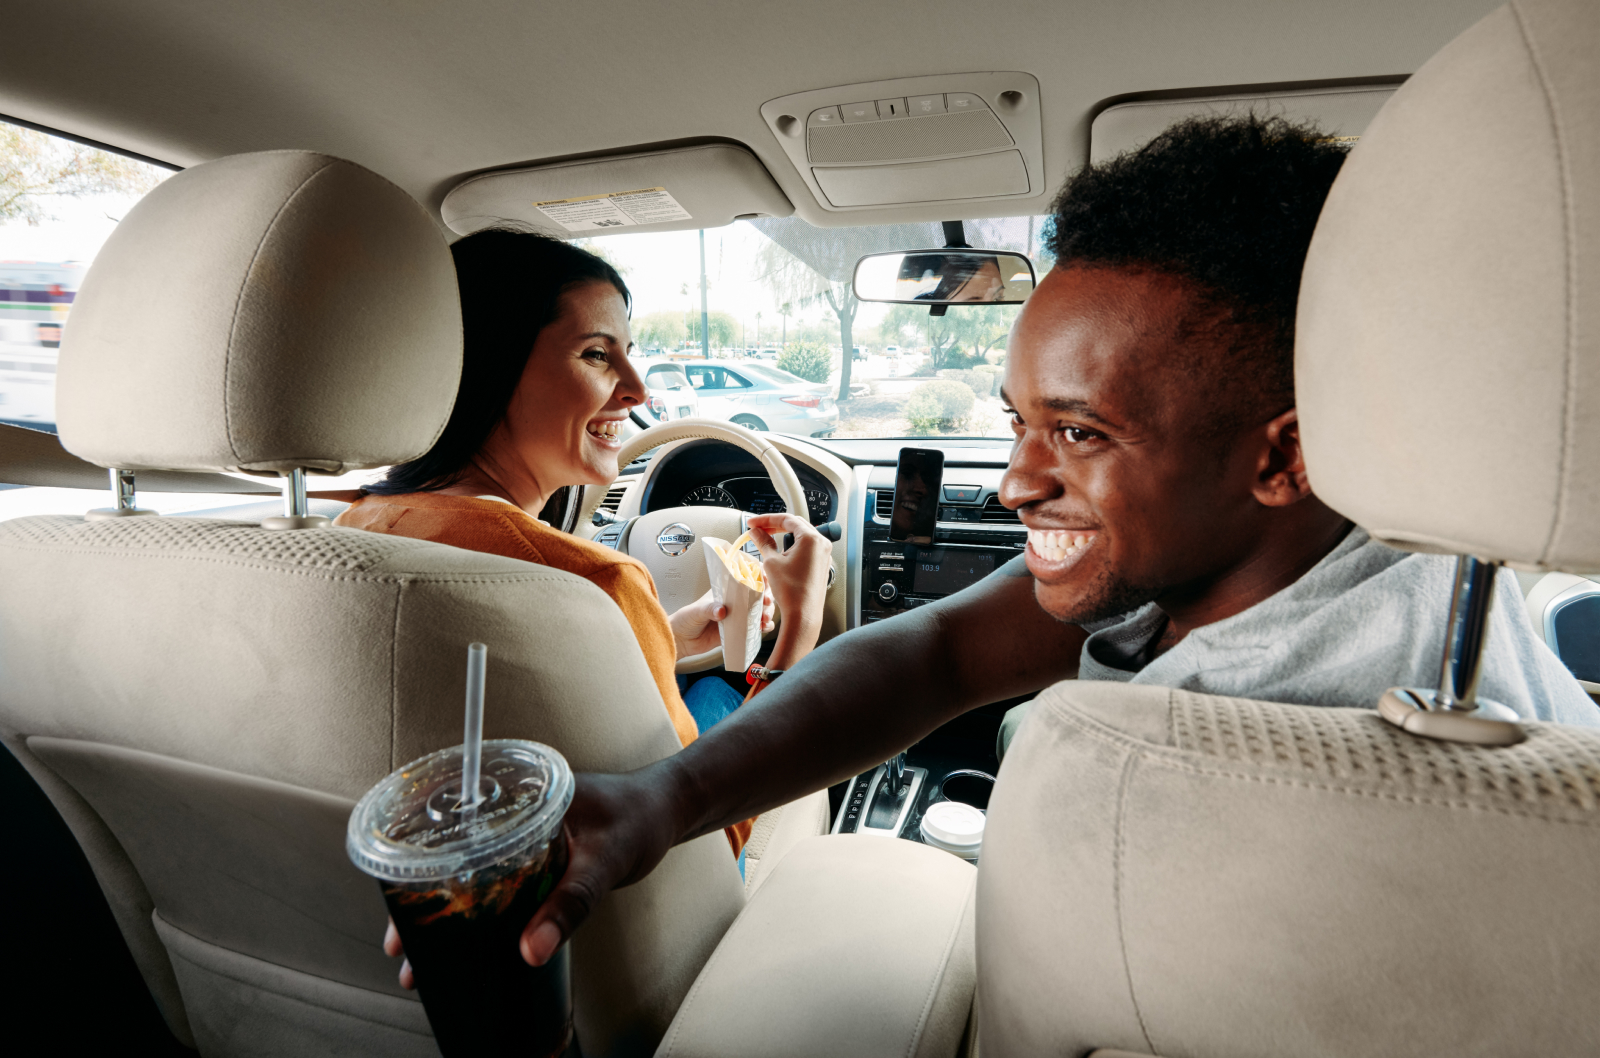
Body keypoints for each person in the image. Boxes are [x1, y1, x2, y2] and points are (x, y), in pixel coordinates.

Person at [405, 116, 1600, 975]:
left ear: (1282, 458)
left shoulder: (1309, 777)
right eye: (1016, 424)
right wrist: (662, 797)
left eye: (1077, 433)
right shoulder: (1264, 559)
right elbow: (935, 653)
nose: (1019, 481)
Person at [336, 229, 834, 858]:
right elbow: (708, 846)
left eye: (629, 352)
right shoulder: (594, 579)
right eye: (598, 355)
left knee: (708, 686)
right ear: (490, 364)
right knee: (719, 693)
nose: (637, 389)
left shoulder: (347, 532)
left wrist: (658, 633)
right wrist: (799, 631)